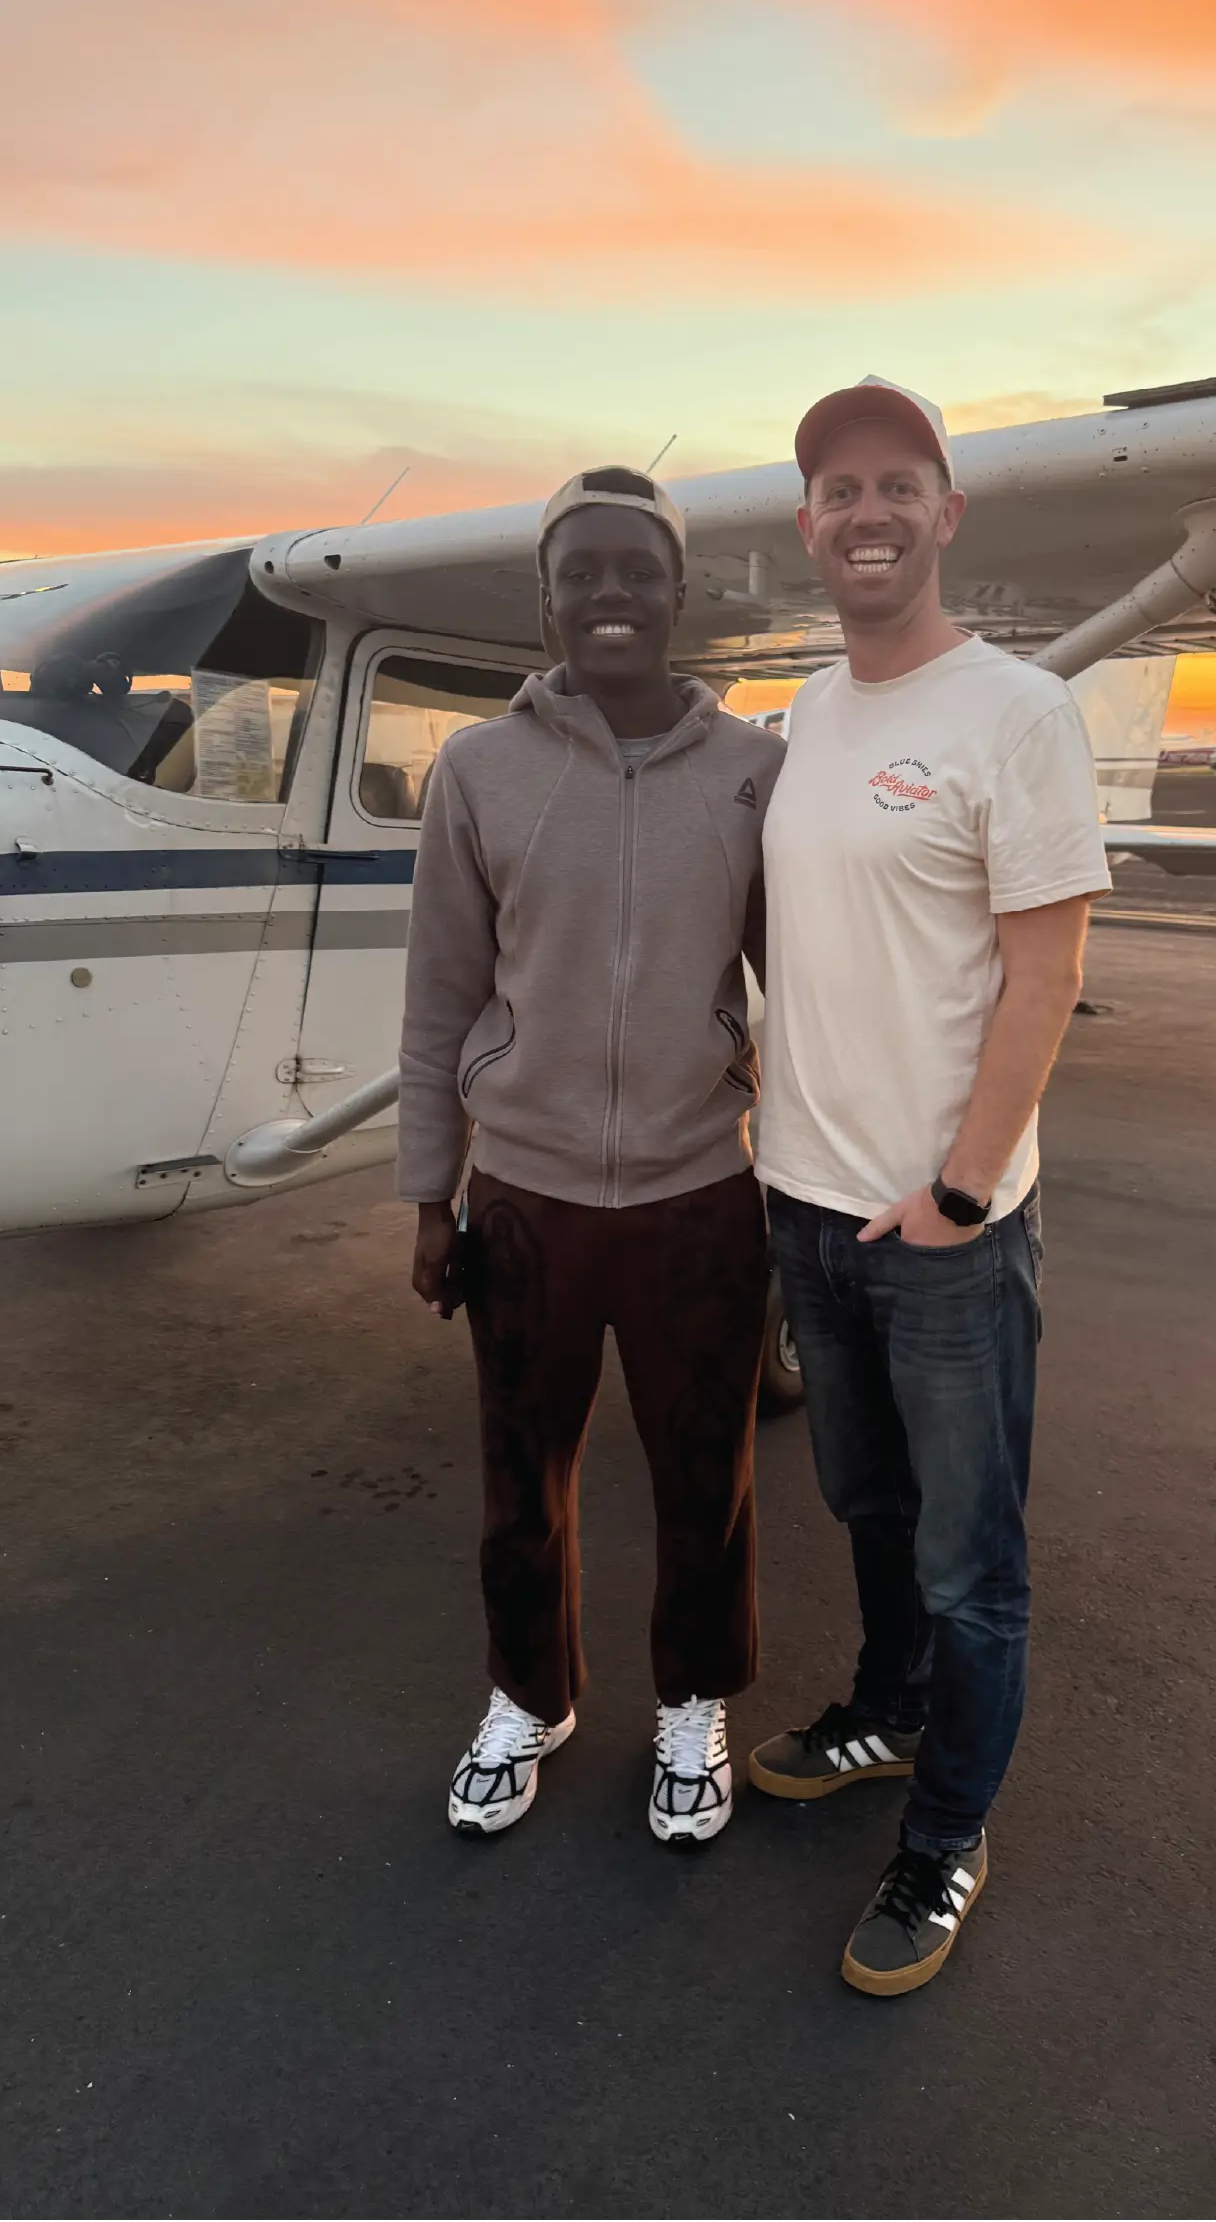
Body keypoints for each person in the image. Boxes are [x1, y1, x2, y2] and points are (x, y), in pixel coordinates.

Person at [747, 379, 1111, 1992]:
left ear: (946, 514)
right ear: (808, 524)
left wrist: (962, 1193)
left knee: (975, 1564)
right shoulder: (810, 718)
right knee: (869, 1509)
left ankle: (948, 1833)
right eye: (840, 488)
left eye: (901, 484)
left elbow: (1047, 974)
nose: (868, 512)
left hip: (945, 1233)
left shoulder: (1016, 715)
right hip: (807, 1208)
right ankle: (888, 1715)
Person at [398, 466, 784, 1846]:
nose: (611, 596)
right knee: (522, 1478)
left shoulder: (755, 772)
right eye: (584, 573)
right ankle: (530, 1695)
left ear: (680, 595)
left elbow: (791, 984)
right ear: (546, 597)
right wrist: (430, 1194)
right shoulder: (479, 771)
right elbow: (443, 994)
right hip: (526, 1201)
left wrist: (795, 1177)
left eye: (639, 571)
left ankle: (692, 1699)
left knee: (707, 1475)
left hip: (699, 1193)